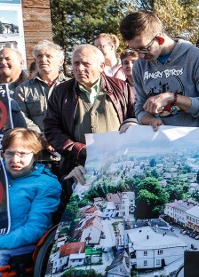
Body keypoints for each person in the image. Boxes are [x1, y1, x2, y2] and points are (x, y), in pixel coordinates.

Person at [43, 45, 137, 180]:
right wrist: (78, 149)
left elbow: (135, 115)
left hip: (118, 163)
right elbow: (51, 129)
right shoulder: (61, 92)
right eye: (76, 63)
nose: (79, 68)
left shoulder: (121, 88)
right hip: (77, 167)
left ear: (101, 66)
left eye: (86, 64)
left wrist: (132, 123)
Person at [120, 11, 199, 130]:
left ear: (160, 39)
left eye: (144, 49)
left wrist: (173, 98)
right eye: (134, 50)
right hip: (158, 142)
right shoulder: (140, 66)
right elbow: (140, 109)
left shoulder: (197, 58)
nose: (141, 56)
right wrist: (150, 119)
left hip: (194, 141)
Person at [0, 128, 61, 267]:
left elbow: (35, 229)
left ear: (35, 156)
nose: (15, 160)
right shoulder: (1, 172)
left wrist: (2, 241)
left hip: (18, 245)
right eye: (9, 154)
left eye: (22, 154)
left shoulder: (46, 184)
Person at [14, 40, 68, 131]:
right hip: (36, 141)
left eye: (48, 56)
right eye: (39, 56)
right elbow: (21, 117)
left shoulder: (72, 86)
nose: (43, 59)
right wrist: (41, 137)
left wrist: (60, 138)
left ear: (60, 61)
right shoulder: (23, 89)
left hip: (67, 141)